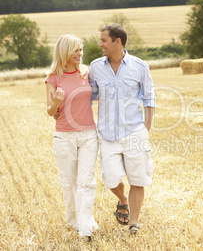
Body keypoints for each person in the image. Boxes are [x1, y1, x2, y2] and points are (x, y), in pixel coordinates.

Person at [89, 24, 155, 235]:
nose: (100, 44)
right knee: (110, 178)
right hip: (107, 135)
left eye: (103, 41)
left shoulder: (139, 66)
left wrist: (146, 127)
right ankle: (122, 199)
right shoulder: (95, 67)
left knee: (138, 178)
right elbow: (89, 96)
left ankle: (134, 222)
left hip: (134, 131)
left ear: (117, 42)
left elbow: (149, 97)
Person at [45, 34, 98, 241]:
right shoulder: (53, 77)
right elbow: (50, 111)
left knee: (87, 181)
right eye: (75, 50)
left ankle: (85, 227)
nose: (80, 54)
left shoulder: (87, 73)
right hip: (64, 136)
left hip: (88, 135)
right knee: (69, 183)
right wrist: (57, 102)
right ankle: (75, 220)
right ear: (64, 52)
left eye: (80, 50)